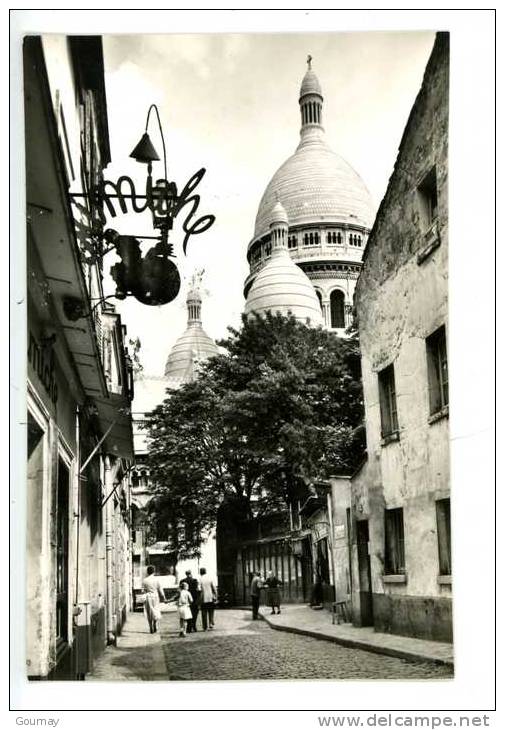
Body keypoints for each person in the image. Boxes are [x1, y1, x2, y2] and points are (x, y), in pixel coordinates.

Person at [142, 565, 166, 634]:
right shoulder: (157, 579)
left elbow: (143, 591)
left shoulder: (145, 580)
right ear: (154, 572)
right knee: (156, 610)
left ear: (147, 572)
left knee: (149, 612)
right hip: (155, 596)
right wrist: (164, 597)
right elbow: (160, 589)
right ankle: (155, 623)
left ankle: (150, 627)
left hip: (148, 597)